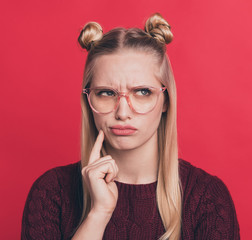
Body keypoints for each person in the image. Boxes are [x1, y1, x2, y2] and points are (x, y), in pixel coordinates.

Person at [21, 13, 240, 240]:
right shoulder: (52, 193)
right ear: (88, 99)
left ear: (166, 101)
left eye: (142, 92)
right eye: (106, 93)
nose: (123, 113)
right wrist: (98, 214)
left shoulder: (208, 198)